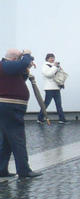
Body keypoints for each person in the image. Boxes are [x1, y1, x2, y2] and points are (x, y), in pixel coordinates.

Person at [0, 49, 41, 179]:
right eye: (19, 58)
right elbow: (23, 63)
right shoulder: (6, 65)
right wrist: (27, 54)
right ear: (14, 59)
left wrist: (25, 68)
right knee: (18, 139)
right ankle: (24, 170)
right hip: (10, 107)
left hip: (7, 107)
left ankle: (1, 170)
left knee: (6, 140)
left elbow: (20, 78)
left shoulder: (8, 67)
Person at [38, 53, 67, 124]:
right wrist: (54, 67)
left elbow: (58, 74)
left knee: (59, 104)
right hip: (49, 88)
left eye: (53, 57)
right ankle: (40, 118)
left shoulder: (54, 66)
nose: (52, 59)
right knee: (46, 104)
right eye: (50, 58)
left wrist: (59, 69)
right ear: (47, 59)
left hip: (56, 87)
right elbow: (48, 74)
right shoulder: (45, 66)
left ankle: (62, 119)